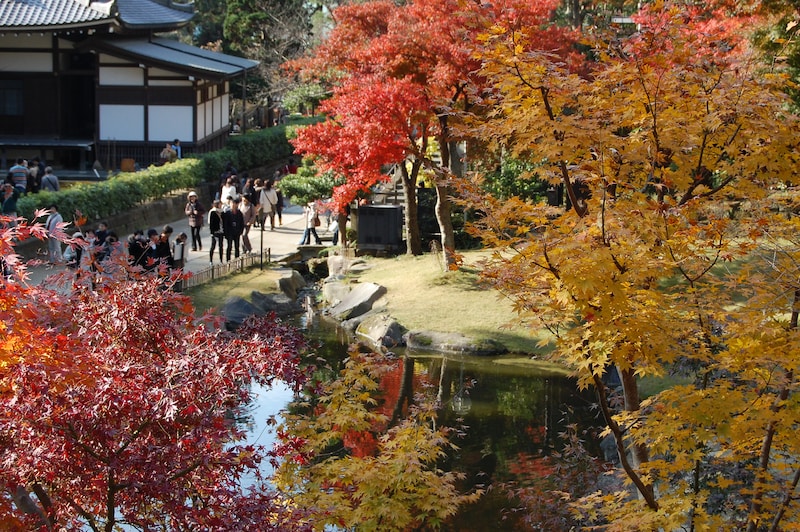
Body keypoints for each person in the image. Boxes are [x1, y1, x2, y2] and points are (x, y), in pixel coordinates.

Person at [222, 196, 244, 261]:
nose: (232, 205)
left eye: (234, 203)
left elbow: (241, 222)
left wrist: (240, 231)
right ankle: (228, 260)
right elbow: (225, 224)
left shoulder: (239, 213)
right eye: (231, 203)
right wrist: (225, 233)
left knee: (237, 246)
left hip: (237, 232)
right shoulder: (227, 213)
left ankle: (236, 259)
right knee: (229, 246)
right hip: (229, 232)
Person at [207, 199, 225, 264]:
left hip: (221, 231)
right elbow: (210, 224)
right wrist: (212, 233)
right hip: (215, 232)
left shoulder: (222, 212)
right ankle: (210, 260)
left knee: (221, 246)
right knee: (213, 246)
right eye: (220, 204)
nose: (221, 205)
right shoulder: (212, 212)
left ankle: (221, 260)